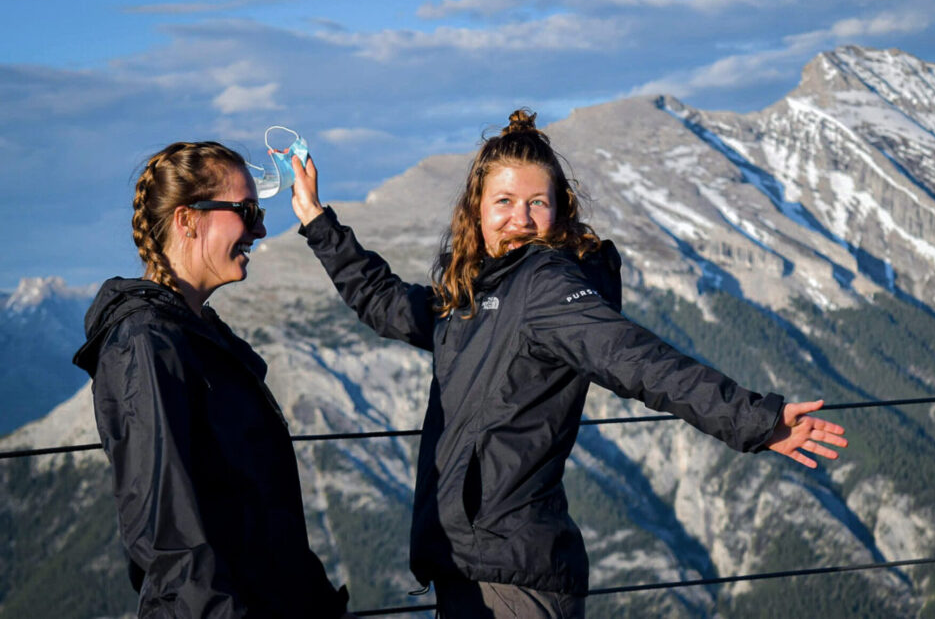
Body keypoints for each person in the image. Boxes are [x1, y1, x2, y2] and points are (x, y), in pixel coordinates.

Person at [291, 111, 847, 618]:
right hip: (474, 570)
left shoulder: (545, 287)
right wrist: (319, 223)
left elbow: (641, 362)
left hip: (513, 582)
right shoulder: (477, 296)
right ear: (477, 211)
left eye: (537, 202)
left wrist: (756, 420)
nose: (521, 219)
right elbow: (389, 304)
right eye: (504, 202)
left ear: (558, 210)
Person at [73, 142, 353, 618]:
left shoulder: (193, 333)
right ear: (187, 219)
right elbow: (170, 536)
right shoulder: (144, 343)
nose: (261, 228)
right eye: (246, 211)